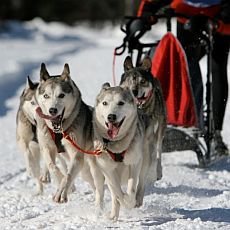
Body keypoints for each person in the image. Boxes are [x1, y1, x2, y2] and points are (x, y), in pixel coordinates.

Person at [137, 0, 230, 155]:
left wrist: (219, 21)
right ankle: (189, 117)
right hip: (186, 15)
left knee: (217, 68)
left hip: (219, 14)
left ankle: (215, 133)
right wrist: (145, 14)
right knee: (186, 65)